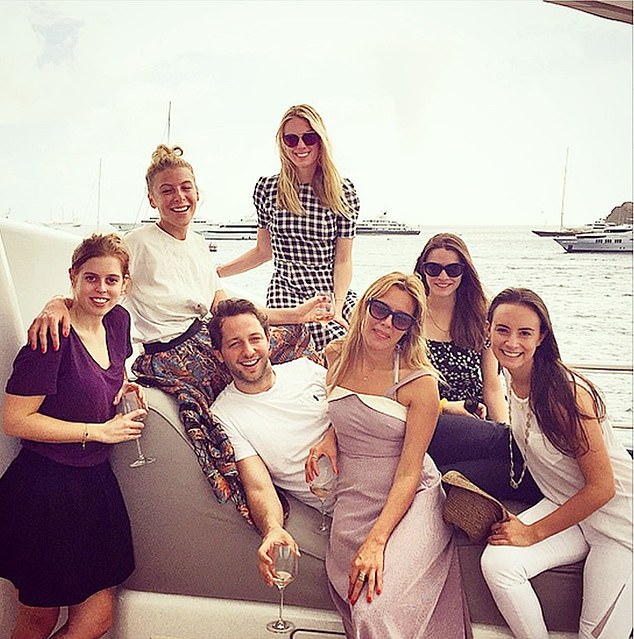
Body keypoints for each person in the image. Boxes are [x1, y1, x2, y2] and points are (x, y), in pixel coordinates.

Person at [26, 144, 325, 522]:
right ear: (152, 199)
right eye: (167, 190)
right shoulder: (138, 243)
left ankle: (299, 438)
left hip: (203, 336)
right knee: (217, 412)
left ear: (198, 193)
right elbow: (100, 281)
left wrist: (295, 314)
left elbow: (225, 309)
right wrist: (57, 303)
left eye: (186, 188)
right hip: (170, 352)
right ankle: (256, 486)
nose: (178, 197)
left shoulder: (198, 244)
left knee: (297, 338)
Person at [0, 234, 144, 639]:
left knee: (97, 618)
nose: (101, 289)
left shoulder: (118, 322)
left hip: (94, 488)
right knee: (39, 619)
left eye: (111, 280)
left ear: (124, 284)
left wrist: (124, 385)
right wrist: (99, 431)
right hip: (45, 492)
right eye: (91, 278)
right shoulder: (50, 338)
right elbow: (15, 420)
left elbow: (103, 375)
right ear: (73, 277)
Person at [323, 272, 472, 638]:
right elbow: (347, 409)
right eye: (380, 309)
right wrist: (329, 435)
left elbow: (409, 473)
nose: (386, 323)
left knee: (374, 608)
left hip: (410, 498)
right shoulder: (336, 355)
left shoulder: (419, 383)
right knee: (350, 590)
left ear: (410, 329)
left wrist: (377, 542)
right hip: (354, 500)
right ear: (364, 305)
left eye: (401, 319)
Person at [481, 288, 633, 639]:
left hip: (619, 524)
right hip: (570, 509)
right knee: (499, 564)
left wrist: (531, 532)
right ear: (488, 330)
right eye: (502, 330)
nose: (512, 342)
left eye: (524, 333)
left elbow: (603, 488)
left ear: (541, 337)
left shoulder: (566, 395)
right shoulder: (513, 380)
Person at [208, 298, 336, 584]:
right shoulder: (224, 415)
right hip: (349, 506)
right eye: (234, 344)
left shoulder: (306, 369)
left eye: (255, 339)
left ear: (268, 338)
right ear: (219, 354)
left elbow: (358, 411)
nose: (248, 351)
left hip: (383, 466)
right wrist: (273, 529)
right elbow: (259, 486)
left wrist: (333, 435)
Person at [217, 104, 360, 352]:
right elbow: (263, 251)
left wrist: (337, 306)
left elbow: (343, 260)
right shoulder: (268, 189)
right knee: (312, 343)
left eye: (309, 138)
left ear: (320, 140)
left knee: (362, 337)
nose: (300, 146)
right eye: (291, 139)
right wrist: (216, 272)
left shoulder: (342, 191)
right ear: (282, 144)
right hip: (286, 288)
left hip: (329, 289)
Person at [414, 233, 541, 504]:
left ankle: (591, 478)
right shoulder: (411, 317)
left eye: (453, 269)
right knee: (517, 448)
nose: (443, 276)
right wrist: (446, 406)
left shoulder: (479, 316)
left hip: (476, 421)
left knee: (509, 467)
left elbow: (492, 386)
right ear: (422, 269)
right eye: (433, 268)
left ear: (465, 272)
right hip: (431, 420)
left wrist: (505, 428)